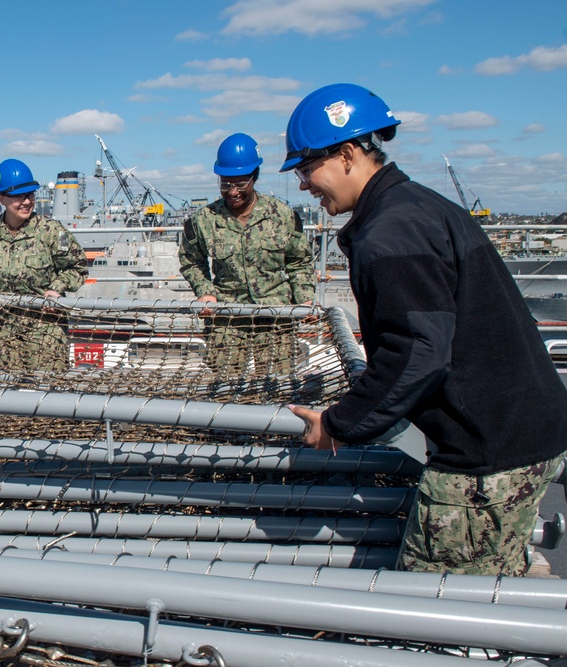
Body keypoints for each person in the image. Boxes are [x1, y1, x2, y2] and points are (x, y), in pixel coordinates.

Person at [282, 83, 567, 576]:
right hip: (516, 431)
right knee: (497, 571)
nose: (304, 184)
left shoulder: (391, 231)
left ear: (348, 154)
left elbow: (417, 351)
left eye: (307, 168)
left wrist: (338, 423)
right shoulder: (416, 207)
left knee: (438, 602)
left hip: (485, 455)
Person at [178, 133, 314, 376]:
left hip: (275, 315)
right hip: (227, 316)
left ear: (254, 178)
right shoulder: (204, 220)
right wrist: (205, 291)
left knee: (277, 385)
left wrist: (304, 298)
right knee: (225, 388)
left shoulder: (281, 215)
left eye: (240, 184)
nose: (232, 192)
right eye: (225, 183)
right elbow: (191, 260)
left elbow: (299, 261)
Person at [0, 159, 88, 371]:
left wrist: (56, 289)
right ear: (1, 198)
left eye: (30, 195)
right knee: (3, 392)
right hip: (2, 329)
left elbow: (77, 267)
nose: (27, 202)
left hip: (45, 329)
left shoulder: (51, 231)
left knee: (48, 393)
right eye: (18, 196)